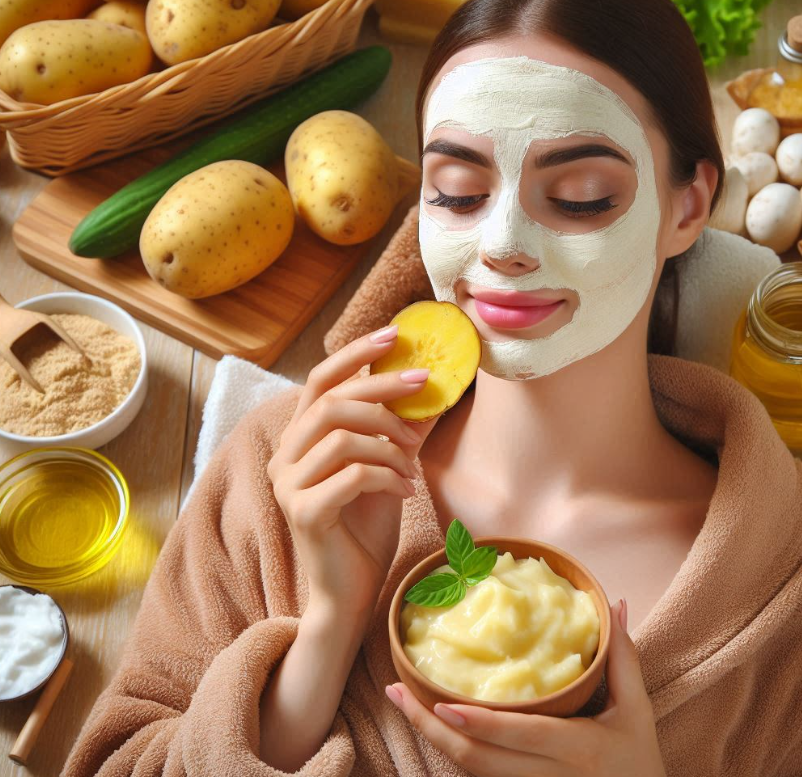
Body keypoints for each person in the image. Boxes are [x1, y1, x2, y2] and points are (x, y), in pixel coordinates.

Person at [62, 0, 802, 775]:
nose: (505, 244)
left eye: (582, 194)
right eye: (455, 191)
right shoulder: (291, 474)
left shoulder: (778, 608)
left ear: (686, 206)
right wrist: (322, 640)